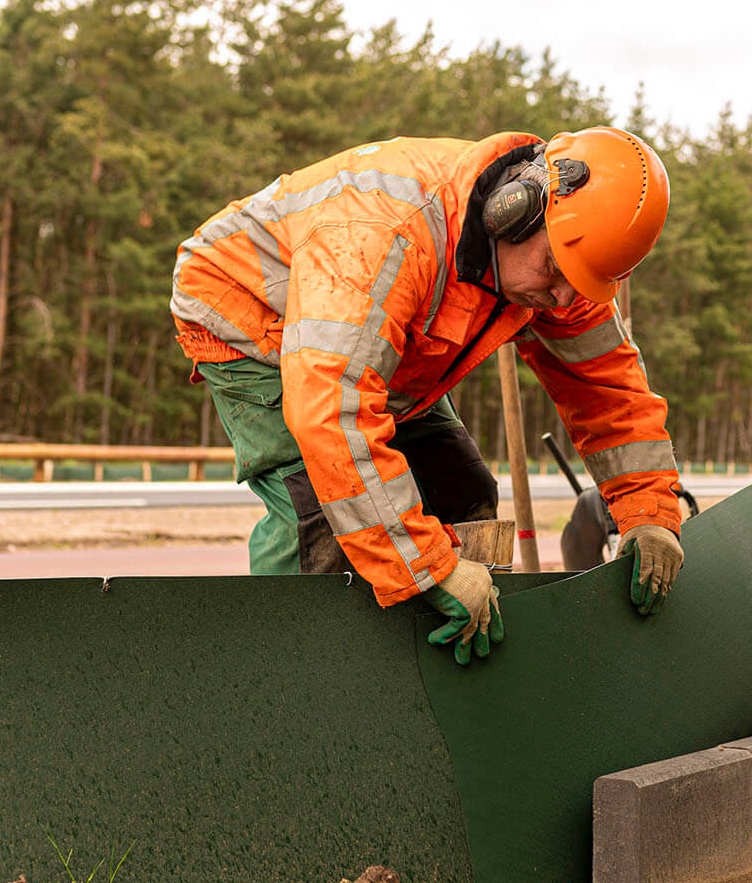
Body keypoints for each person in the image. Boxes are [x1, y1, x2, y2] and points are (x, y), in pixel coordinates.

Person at [172, 128, 689, 664]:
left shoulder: (565, 262)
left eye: (579, 285)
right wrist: (426, 566)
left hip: (368, 337)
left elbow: (608, 389)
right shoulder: (387, 233)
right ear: (515, 211)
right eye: (555, 272)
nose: (561, 297)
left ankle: (428, 680)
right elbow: (334, 407)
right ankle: (291, 681)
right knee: (323, 521)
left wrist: (649, 512)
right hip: (254, 319)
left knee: (462, 490)